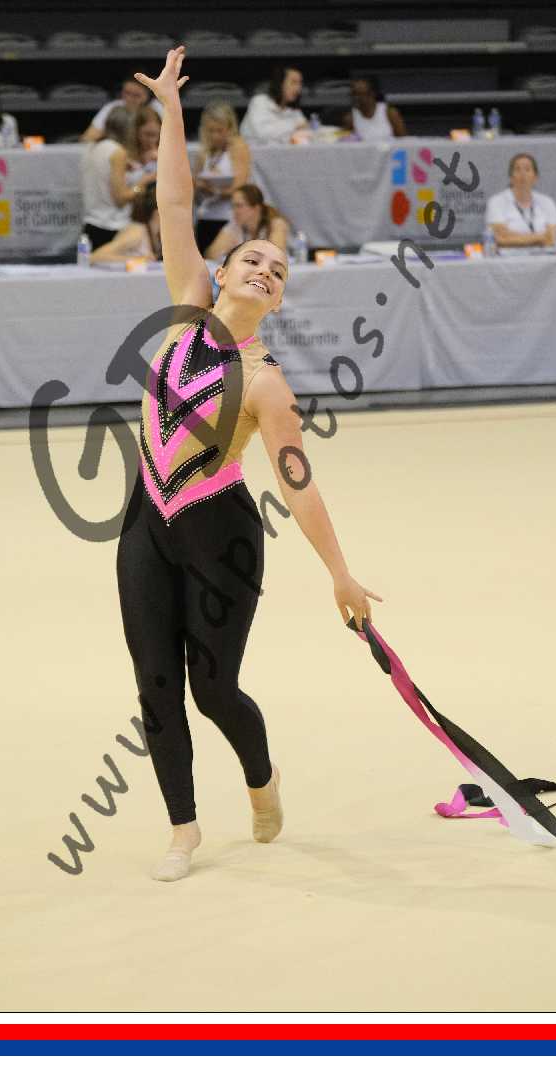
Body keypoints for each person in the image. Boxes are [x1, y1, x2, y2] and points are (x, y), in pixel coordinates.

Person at [117, 46, 380, 882]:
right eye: (253, 259)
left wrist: (339, 573)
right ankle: (184, 830)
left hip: (221, 534)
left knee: (213, 690)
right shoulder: (185, 305)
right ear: (222, 269)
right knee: (155, 682)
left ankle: (261, 781)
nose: (264, 270)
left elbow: (298, 485)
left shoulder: (267, 384)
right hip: (146, 518)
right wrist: (170, 111)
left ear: (279, 297)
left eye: (278, 270)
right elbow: (174, 200)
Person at [81, 106, 156, 249]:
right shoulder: (117, 152)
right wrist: (144, 181)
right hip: (112, 228)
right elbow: (121, 198)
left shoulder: (91, 148)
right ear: (129, 129)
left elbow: (104, 174)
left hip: (91, 225)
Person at [193, 102, 252, 253]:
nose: (215, 136)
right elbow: (194, 183)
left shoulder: (238, 148)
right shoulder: (204, 151)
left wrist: (216, 191)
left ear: (230, 128)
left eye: (220, 130)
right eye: (210, 131)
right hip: (206, 216)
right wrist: (199, 186)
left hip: (228, 217)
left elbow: (240, 186)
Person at [485, 153, 556, 249]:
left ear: (535, 177)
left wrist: (513, 238)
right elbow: (501, 238)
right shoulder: (496, 202)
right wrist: (540, 238)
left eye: (527, 169)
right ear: (511, 177)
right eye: (517, 169)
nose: (523, 174)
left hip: (544, 256)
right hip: (509, 256)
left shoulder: (547, 202)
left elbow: (551, 238)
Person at [204, 184, 290, 262]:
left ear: (256, 208)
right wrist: (220, 248)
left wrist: (238, 252)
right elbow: (209, 255)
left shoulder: (277, 224)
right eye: (233, 206)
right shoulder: (235, 225)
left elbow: (275, 256)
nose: (234, 211)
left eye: (239, 206)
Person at [90, 185, 161, 265]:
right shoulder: (136, 232)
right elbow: (96, 256)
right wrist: (140, 260)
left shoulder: (160, 235)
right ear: (157, 211)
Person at [80, 76, 164, 143]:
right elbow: (88, 138)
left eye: (136, 95)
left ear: (148, 96)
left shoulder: (157, 109)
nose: (129, 99)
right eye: (127, 93)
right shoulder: (113, 107)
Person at [240, 66, 309, 143]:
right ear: (280, 83)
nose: (298, 88)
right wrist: (294, 126)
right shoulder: (260, 102)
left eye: (300, 83)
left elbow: (305, 131)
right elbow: (262, 133)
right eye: (293, 82)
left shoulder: (294, 111)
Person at [344, 74, 406, 139]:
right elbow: (347, 142)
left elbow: (403, 140)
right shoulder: (350, 118)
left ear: (373, 94)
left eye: (360, 94)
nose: (356, 98)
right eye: (354, 94)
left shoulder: (390, 113)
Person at [125, 106, 161, 187]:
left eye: (155, 135)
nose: (151, 140)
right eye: (147, 134)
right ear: (136, 131)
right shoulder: (124, 154)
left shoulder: (166, 153)